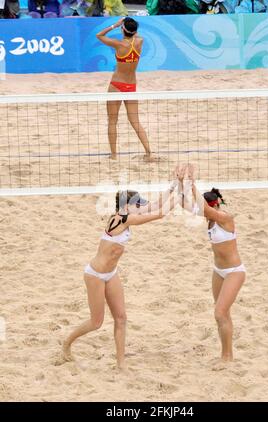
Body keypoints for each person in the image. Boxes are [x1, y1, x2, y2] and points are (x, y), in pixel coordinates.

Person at [62, 178, 179, 369]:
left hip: (110, 273)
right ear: (129, 205)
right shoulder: (123, 219)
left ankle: (121, 364)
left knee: (121, 318)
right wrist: (181, 196)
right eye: (139, 204)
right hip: (95, 275)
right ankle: (67, 342)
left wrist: (175, 185)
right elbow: (160, 213)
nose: (142, 206)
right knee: (96, 322)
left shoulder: (127, 214)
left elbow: (157, 205)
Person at [178, 164, 246, 362]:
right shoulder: (209, 218)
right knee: (222, 314)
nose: (203, 212)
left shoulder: (225, 217)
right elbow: (184, 204)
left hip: (234, 271)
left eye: (206, 208)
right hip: (218, 271)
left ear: (214, 205)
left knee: (219, 313)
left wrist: (193, 183)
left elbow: (204, 208)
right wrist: (181, 182)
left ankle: (227, 357)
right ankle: (226, 353)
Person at [96, 17, 155, 162]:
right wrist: (127, 26)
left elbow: (99, 35)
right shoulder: (140, 41)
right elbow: (134, 34)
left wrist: (114, 25)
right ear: (135, 31)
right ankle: (149, 152)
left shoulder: (119, 44)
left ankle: (114, 155)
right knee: (135, 121)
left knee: (112, 121)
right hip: (131, 86)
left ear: (122, 29)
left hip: (117, 85)